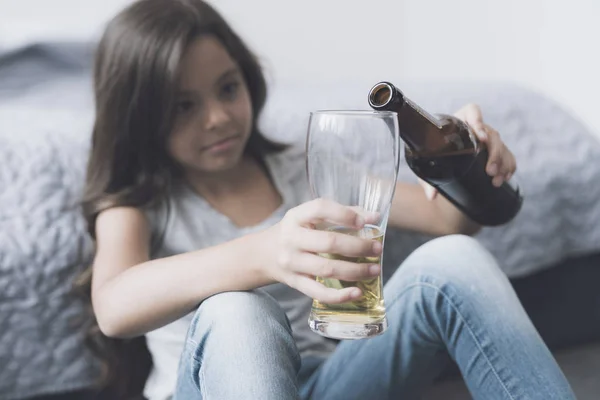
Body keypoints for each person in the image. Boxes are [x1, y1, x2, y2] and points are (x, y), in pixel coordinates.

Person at [82, 0, 576, 399]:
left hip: (331, 381)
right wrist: (263, 252)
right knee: (238, 311)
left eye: (227, 89)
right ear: (140, 116)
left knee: (457, 259)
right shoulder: (139, 202)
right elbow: (114, 307)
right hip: (208, 387)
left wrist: (468, 162)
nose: (217, 118)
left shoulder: (299, 168)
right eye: (183, 106)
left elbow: (449, 222)